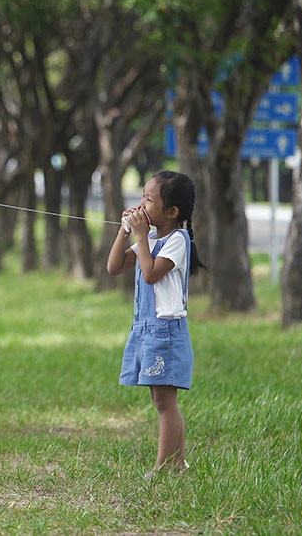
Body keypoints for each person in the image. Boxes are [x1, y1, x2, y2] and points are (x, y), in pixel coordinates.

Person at [106, 171, 206, 478]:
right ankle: (176, 463)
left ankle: (167, 466)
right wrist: (125, 232)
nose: (142, 204)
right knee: (159, 399)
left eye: (149, 199)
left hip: (166, 332)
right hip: (147, 328)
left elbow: (150, 274)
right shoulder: (149, 238)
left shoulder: (176, 241)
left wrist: (139, 237)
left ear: (171, 212)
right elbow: (114, 267)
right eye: (142, 197)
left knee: (166, 402)